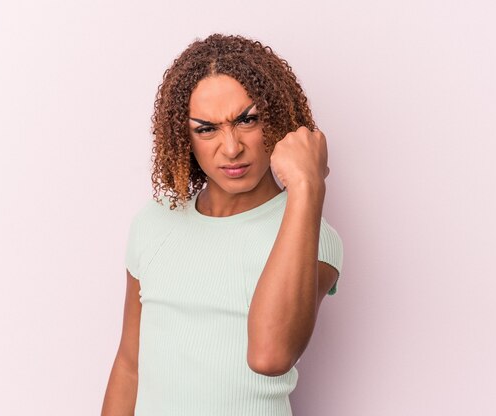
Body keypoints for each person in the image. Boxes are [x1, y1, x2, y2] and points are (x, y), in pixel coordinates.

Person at [101, 33, 343, 416]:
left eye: (247, 120)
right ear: (185, 137)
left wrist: (308, 185)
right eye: (207, 128)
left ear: (278, 120)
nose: (231, 148)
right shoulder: (154, 222)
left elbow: (270, 355)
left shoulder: (313, 237)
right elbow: (130, 366)